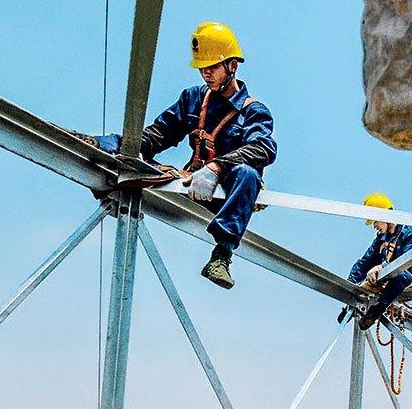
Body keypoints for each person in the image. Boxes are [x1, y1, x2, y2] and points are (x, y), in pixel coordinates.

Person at [81, 21, 275, 290]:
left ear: (232, 66)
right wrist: (114, 146)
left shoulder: (253, 112)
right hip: (191, 186)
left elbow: (263, 148)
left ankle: (222, 256)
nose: (206, 74)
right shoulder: (194, 99)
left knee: (247, 174)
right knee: (137, 156)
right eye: (202, 68)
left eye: (212, 67)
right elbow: (157, 135)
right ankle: (104, 152)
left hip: (225, 200)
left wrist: (217, 168)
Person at [345, 193, 412, 330]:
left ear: (384, 216)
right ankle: (349, 308)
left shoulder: (409, 233)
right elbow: (364, 262)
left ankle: (377, 310)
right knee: (366, 277)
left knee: (401, 275)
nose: (374, 226)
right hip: (389, 281)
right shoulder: (382, 238)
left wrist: (380, 267)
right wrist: (349, 287)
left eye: (375, 222)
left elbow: (405, 262)